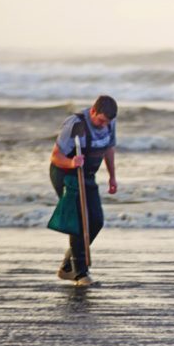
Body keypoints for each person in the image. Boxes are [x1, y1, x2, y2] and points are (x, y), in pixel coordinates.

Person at [50, 95, 118, 287]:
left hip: (87, 174)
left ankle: (67, 266)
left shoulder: (110, 123)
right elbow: (55, 157)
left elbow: (109, 149)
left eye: (108, 122)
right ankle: (80, 273)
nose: (104, 124)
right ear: (93, 111)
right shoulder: (76, 124)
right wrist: (71, 162)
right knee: (80, 219)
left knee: (96, 221)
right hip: (66, 174)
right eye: (101, 120)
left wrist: (112, 177)